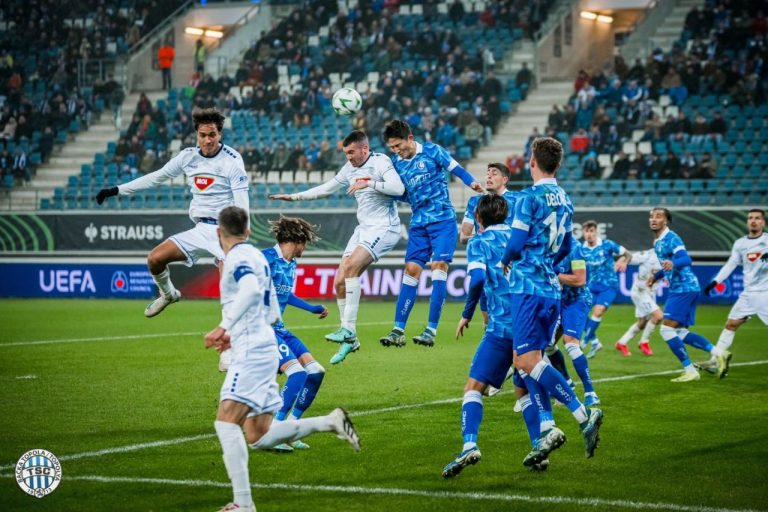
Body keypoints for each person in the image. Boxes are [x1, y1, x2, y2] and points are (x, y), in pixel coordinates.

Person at [205, 206, 360, 512]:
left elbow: (252, 291)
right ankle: (329, 422)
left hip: (254, 346)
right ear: (248, 232)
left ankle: (244, 504)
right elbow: (274, 306)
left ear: (217, 233)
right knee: (258, 436)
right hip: (265, 338)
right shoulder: (258, 258)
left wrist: (226, 328)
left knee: (226, 424)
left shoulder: (238, 258)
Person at [500, 137, 603, 466]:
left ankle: (582, 413)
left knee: (529, 362)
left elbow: (515, 244)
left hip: (528, 287)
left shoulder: (529, 198)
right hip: (549, 288)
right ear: (557, 165)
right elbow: (565, 248)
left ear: (532, 161)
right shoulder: (565, 199)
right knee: (525, 358)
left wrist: (505, 260)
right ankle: (546, 427)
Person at [95, 108, 249, 320]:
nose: (207, 140)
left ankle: (232, 340)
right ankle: (168, 294)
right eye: (203, 135)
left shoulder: (232, 160)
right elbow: (156, 177)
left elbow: (242, 199)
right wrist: (117, 190)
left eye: (212, 134)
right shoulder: (188, 157)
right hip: (201, 228)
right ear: (197, 134)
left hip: (226, 231)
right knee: (155, 259)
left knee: (228, 291)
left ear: (220, 134)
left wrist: (242, 229)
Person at [271, 130, 404, 364]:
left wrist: (369, 182)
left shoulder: (381, 161)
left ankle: (349, 330)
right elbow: (326, 188)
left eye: (352, 152)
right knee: (339, 280)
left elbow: (398, 189)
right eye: (346, 153)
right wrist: (294, 197)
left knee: (351, 267)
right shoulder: (349, 169)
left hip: (385, 227)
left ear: (364, 149)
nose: (349, 157)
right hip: (364, 228)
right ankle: (350, 340)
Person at [379, 119, 483, 348]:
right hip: (418, 224)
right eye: (392, 148)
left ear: (410, 138)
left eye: (398, 145)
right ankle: (398, 330)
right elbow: (400, 193)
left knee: (438, 267)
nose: (396, 151)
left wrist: (472, 183)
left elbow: (456, 168)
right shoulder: (397, 164)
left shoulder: (433, 151)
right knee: (411, 269)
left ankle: (431, 329)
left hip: (443, 221)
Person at [442, 194, 515, 478]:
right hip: (532, 316)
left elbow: (479, 280)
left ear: (479, 218)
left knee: (473, 387)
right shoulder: (519, 237)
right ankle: (541, 443)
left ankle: (470, 444)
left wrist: (467, 313)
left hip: (501, 324)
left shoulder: (479, 242)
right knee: (527, 385)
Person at [262, 216, 329, 452]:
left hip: (280, 328)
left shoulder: (291, 264)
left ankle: (290, 428)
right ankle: (274, 432)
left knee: (316, 372)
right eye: (305, 242)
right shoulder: (265, 259)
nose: (305, 247)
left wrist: (312, 308)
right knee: (297, 374)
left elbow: (286, 294)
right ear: (297, 240)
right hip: (264, 329)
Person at [646, 208, 731, 382]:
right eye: (651, 216)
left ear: (666, 221)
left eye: (658, 216)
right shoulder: (657, 242)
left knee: (666, 330)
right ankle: (719, 353)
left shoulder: (672, 238)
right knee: (679, 331)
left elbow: (685, 259)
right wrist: (656, 276)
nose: (653, 219)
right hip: (684, 288)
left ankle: (690, 370)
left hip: (683, 288)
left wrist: (673, 262)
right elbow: (667, 266)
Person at [698, 209, 767, 373]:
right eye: (750, 218)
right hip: (748, 294)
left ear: (763, 222)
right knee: (731, 324)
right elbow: (731, 264)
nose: (753, 221)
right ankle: (716, 361)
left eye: (757, 218)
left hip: (765, 293)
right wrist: (715, 282)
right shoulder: (740, 244)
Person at [460, 162, 518, 325]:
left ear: (505, 179)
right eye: (487, 173)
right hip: (489, 267)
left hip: (514, 268)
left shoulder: (517, 200)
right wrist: (488, 239)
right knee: (490, 321)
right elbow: (464, 237)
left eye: (494, 173)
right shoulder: (475, 202)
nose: (489, 176)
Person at [549, 241, 600, 407]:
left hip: (576, 301)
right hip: (557, 300)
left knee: (570, 343)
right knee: (547, 345)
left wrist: (555, 275)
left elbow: (580, 279)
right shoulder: (547, 243)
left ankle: (590, 392)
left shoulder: (574, 247)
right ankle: (567, 383)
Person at [579, 220, 631, 358]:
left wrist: (622, 261)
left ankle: (584, 341)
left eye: (591, 231)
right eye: (586, 231)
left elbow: (628, 254)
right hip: (591, 287)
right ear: (583, 233)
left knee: (598, 311)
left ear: (596, 232)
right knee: (580, 313)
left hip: (608, 286)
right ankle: (595, 342)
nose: (589, 234)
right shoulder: (581, 249)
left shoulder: (607, 245)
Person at [614, 249, 662, 356]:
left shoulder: (668, 257)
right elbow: (628, 256)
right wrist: (620, 261)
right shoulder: (648, 255)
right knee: (658, 316)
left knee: (643, 322)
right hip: (640, 292)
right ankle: (644, 342)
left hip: (650, 293)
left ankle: (621, 343)